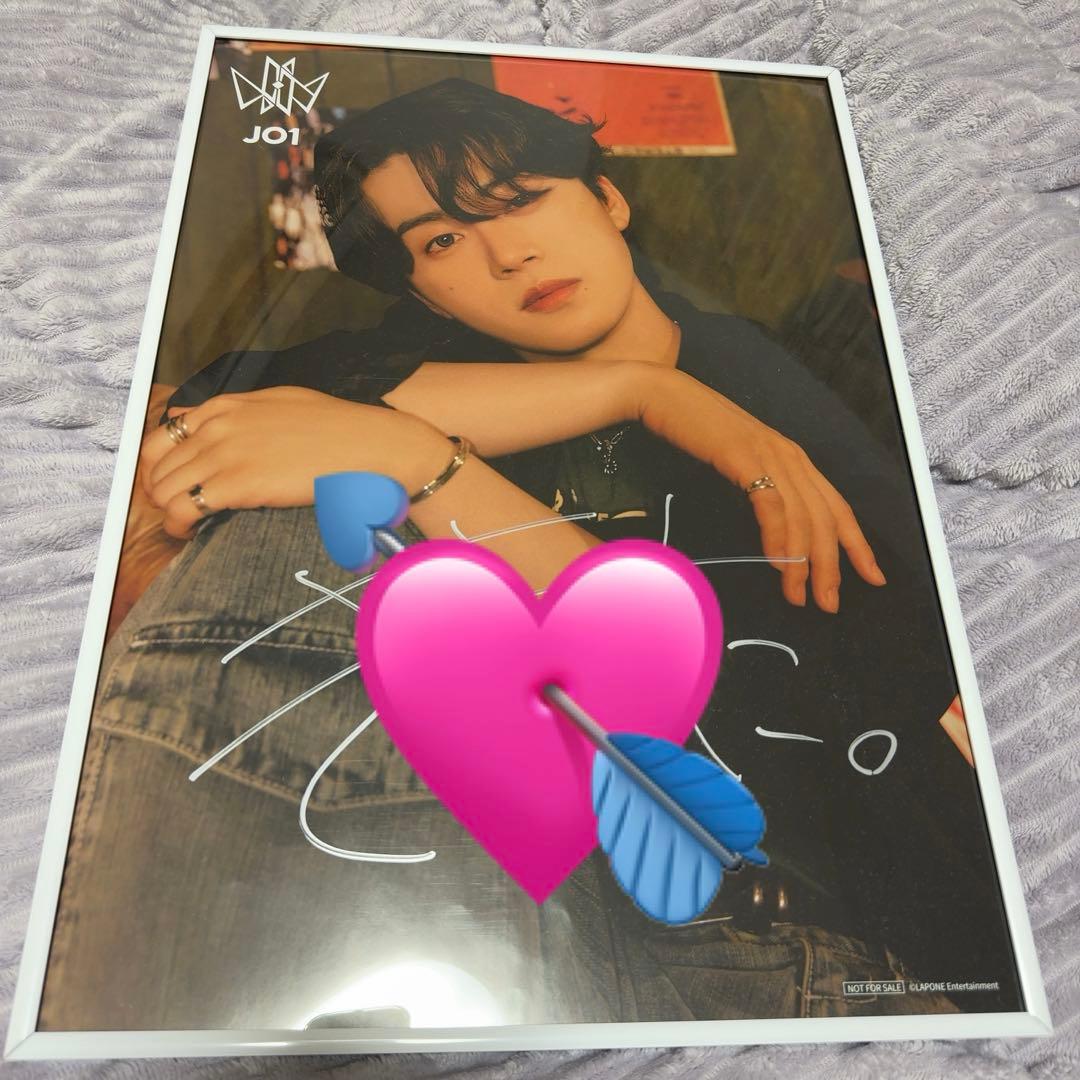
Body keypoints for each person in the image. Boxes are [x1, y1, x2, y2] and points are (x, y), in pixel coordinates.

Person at [39, 79, 1017, 1033]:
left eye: (521, 199)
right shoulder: (417, 374)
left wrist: (425, 466)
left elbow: (718, 689)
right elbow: (197, 418)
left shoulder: (800, 382)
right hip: (504, 902)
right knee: (302, 513)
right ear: (424, 294)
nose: (508, 254)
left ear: (608, 199)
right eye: (441, 242)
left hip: (811, 932)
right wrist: (642, 393)